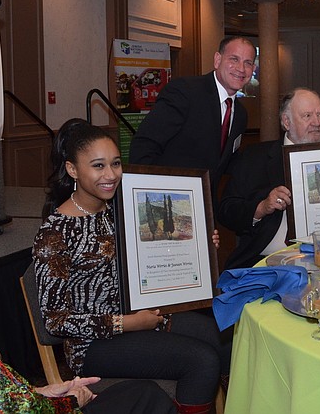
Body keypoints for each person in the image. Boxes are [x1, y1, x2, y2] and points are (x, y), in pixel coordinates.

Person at [34, 119, 231, 414]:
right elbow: (56, 320)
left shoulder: (124, 208)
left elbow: (157, 254)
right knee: (201, 360)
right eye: (98, 166)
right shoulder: (55, 232)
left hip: (147, 314)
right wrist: (127, 323)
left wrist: (200, 246)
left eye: (115, 163)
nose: (111, 174)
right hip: (93, 345)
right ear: (73, 169)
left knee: (227, 341)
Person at [0, 209, 176, 414]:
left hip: (27, 400)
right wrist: (68, 402)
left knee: (144, 392)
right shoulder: (56, 231)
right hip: (48, 395)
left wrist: (37, 391)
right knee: (151, 397)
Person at [129, 37, 256, 201]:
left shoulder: (240, 114)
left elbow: (225, 163)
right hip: (166, 200)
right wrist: (147, 197)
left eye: (248, 63)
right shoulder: (184, 92)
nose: (241, 68)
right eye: (234, 59)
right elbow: (145, 145)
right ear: (217, 60)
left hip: (205, 206)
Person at [217, 88, 320, 269]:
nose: (316, 122)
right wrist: (261, 208)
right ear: (286, 122)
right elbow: (226, 210)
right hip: (265, 263)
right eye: (307, 116)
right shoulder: (255, 157)